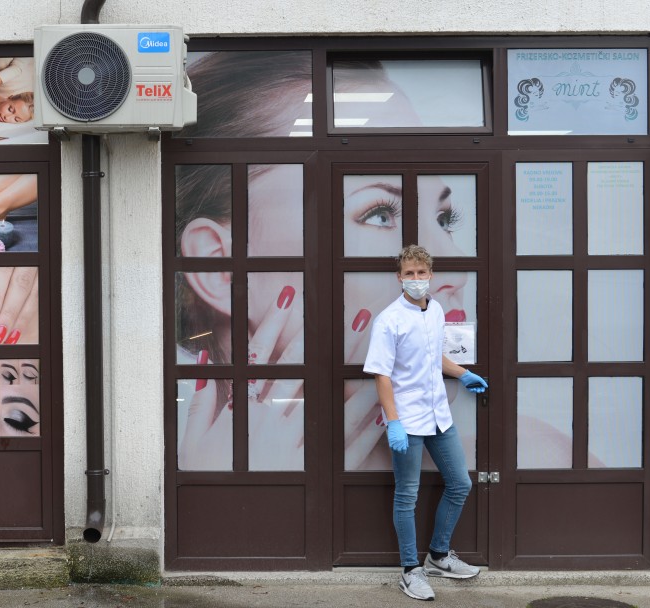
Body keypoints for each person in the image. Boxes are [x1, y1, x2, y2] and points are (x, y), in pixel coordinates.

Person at [174, 51, 478, 473]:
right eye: (379, 214)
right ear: (221, 266)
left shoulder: (538, 455)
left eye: (444, 219)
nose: (457, 271)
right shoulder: (169, 482)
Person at [362, 244, 488, 601]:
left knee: (460, 483)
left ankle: (437, 555)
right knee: (407, 496)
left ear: (431, 275)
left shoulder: (436, 310)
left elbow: (435, 357)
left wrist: (463, 373)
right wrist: (395, 422)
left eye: (421, 273)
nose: (416, 279)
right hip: (408, 419)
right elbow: (382, 375)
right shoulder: (389, 320)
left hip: (439, 416)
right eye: (409, 273)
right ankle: (409, 570)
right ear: (399, 277)